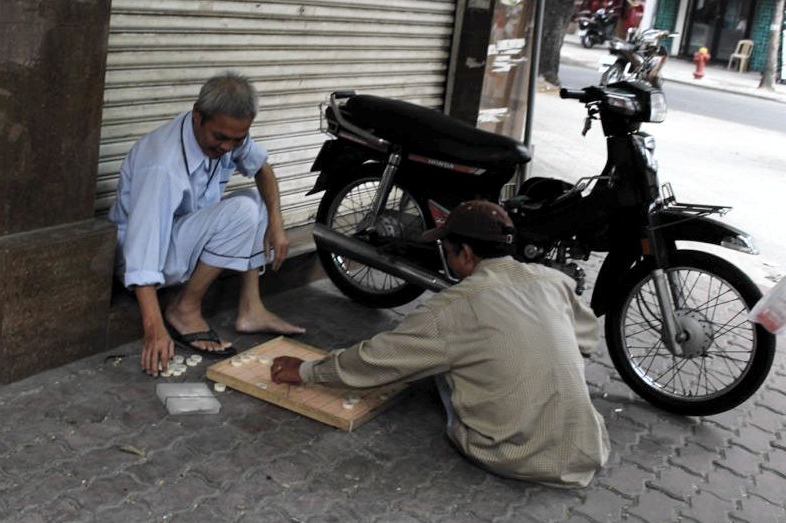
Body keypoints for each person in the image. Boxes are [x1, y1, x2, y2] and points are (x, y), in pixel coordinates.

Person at [271, 200, 610, 488]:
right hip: (586, 447)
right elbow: (587, 339)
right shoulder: (553, 280)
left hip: (513, 454)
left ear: (464, 252)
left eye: (447, 251)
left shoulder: (454, 307)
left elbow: (381, 358)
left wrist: (307, 371)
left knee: (432, 362)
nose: (445, 257)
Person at [108, 71, 304, 377]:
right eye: (220, 138)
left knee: (256, 200)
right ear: (198, 116)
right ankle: (184, 309)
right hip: (145, 257)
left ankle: (251, 308)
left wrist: (277, 223)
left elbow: (262, 169)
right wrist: (154, 327)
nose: (227, 147)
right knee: (242, 211)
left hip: (180, 240)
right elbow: (142, 247)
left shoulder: (229, 134)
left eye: (237, 139)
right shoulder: (163, 164)